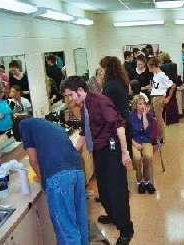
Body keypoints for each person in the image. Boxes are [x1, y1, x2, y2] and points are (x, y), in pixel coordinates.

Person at [62, 76, 134, 245]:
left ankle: (126, 229)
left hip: (112, 150)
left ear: (80, 90)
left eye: (71, 94)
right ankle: (113, 215)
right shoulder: (85, 105)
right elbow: (85, 130)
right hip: (100, 151)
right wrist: (72, 151)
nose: (70, 99)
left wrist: (124, 152)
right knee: (104, 190)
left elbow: (119, 126)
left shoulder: (101, 101)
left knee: (117, 191)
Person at [12, 116, 88, 245]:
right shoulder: (47, 124)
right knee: (80, 220)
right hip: (77, 170)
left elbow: (33, 160)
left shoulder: (23, 125)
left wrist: (44, 181)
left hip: (60, 177)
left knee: (65, 228)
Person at [99, 56, 132, 156]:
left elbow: (106, 108)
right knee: (123, 155)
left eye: (102, 69)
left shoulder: (110, 85)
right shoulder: (121, 81)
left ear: (108, 69)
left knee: (115, 153)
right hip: (124, 121)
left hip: (116, 126)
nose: (101, 72)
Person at [129, 95, 155, 194]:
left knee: (148, 156)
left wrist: (144, 114)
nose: (142, 105)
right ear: (135, 105)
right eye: (140, 104)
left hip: (146, 140)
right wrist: (135, 144)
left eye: (144, 103)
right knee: (137, 158)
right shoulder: (130, 116)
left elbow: (147, 129)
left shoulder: (149, 115)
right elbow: (128, 134)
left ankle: (147, 181)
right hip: (134, 141)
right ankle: (140, 182)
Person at [147, 57, 176, 143]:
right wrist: (151, 88)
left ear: (153, 66)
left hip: (159, 98)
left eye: (149, 67)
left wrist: (168, 98)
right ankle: (155, 135)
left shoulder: (162, 75)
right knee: (151, 116)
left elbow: (173, 86)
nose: (148, 69)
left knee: (159, 118)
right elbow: (156, 85)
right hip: (153, 97)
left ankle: (160, 137)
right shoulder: (155, 74)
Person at [160, 52, 179, 125]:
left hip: (166, 86)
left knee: (166, 102)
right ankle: (174, 119)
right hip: (174, 85)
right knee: (173, 100)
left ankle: (167, 120)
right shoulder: (174, 65)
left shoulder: (162, 66)